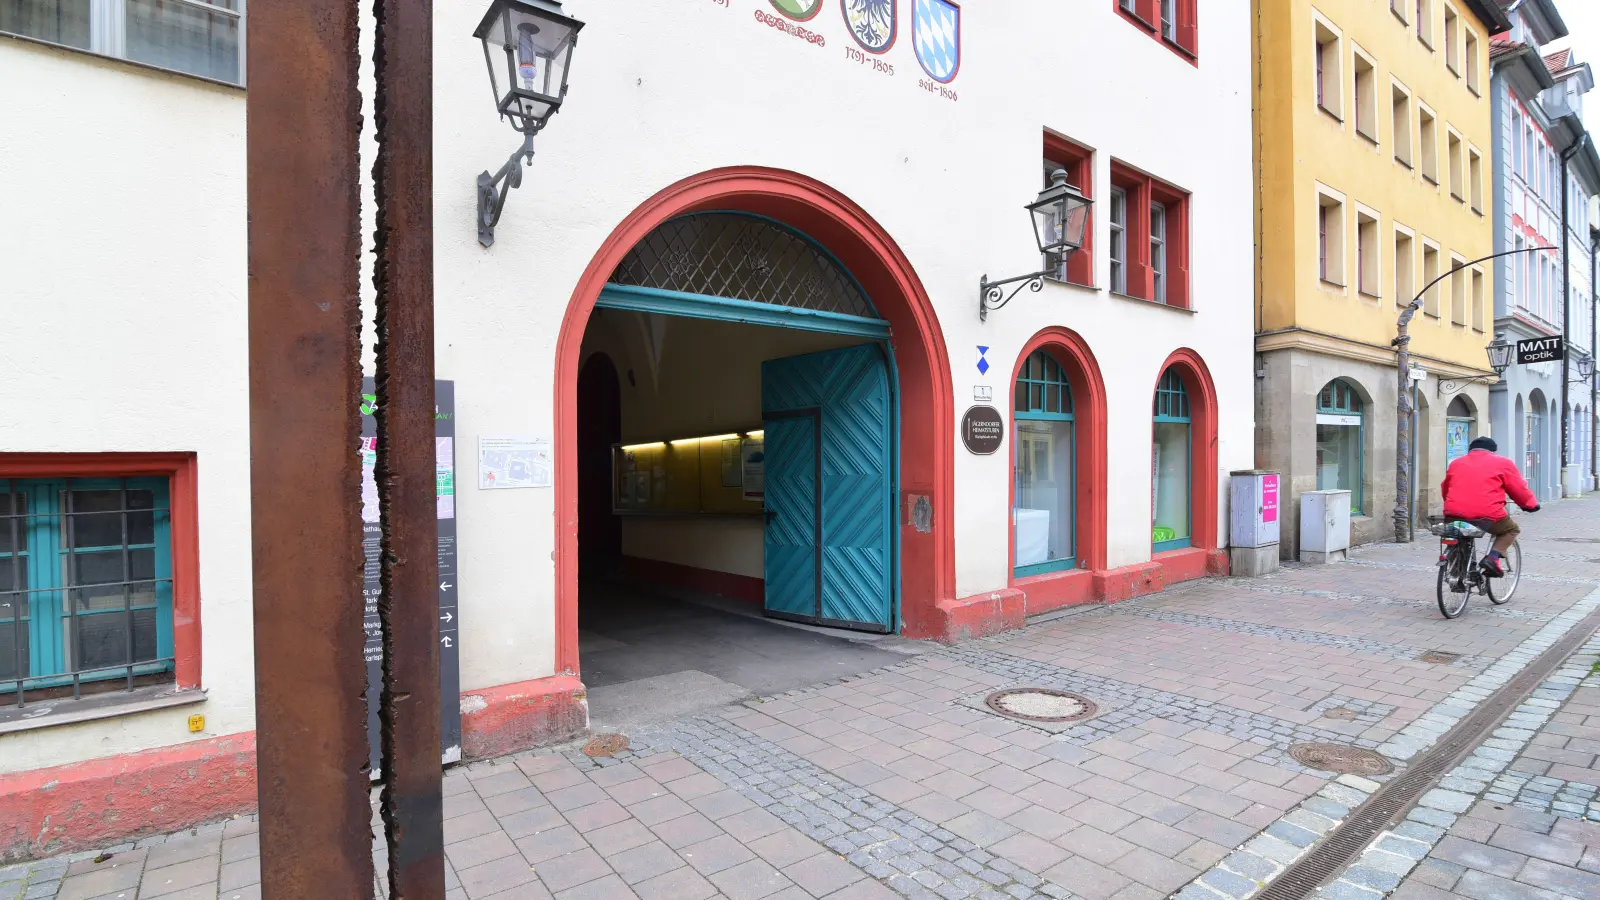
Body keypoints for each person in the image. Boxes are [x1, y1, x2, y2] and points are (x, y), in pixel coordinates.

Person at [1440, 436, 1539, 576]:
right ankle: (1492, 559)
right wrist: (1530, 504)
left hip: (1454, 513)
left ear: (1471, 450)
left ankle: (1457, 577)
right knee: (1511, 530)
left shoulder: (1456, 463)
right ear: (1493, 451)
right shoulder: (1503, 463)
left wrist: (1452, 506)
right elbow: (1517, 488)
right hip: (1487, 515)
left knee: (1459, 537)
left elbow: (1446, 488)